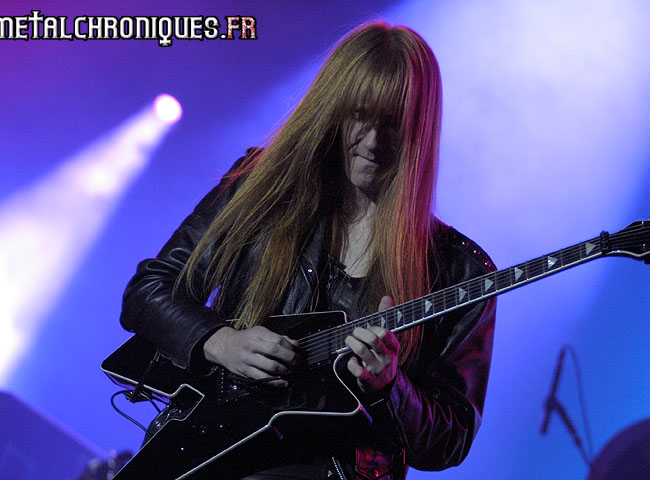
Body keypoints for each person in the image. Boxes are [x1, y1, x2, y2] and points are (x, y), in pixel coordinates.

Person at [120, 21, 496, 480]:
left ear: (420, 130)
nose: (374, 142)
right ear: (332, 109)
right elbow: (149, 291)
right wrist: (221, 342)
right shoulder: (263, 186)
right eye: (360, 116)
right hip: (204, 458)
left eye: (394, 124)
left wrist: (391, 387)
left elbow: (451, 441)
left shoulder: (459, 269)